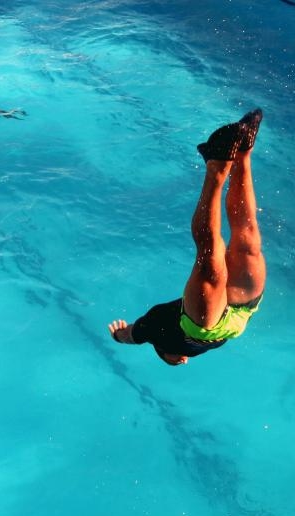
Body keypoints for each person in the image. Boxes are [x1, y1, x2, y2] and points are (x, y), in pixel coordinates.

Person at [109, 108, 265, 366]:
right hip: (207, 324)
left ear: (178, 357)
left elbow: (131, 338)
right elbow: (128, 336)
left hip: (239, 315)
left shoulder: (161, 338)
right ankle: (219, 164)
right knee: (210, 250)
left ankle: (243, 153)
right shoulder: (149, 330)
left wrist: (121, 337)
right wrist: (118, 335)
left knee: (246, 237)